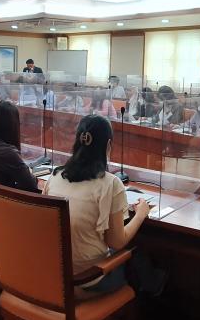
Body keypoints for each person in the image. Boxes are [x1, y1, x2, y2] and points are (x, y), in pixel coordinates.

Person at [43, 115, 166, 297]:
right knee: (137, 253)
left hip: (56, 275)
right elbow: (117, 242)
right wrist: (141, 213)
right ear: (108, 146)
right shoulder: (111, 184)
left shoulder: (54, 177)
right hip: (90, 279)